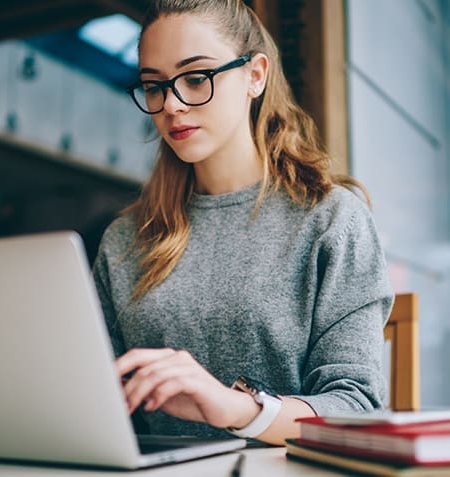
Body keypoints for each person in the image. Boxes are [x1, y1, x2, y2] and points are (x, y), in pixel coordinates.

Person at [92, 0, 393, 446]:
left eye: (196, 78)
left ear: (255, 75)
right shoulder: (125, 240)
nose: (172, 104)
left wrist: (234, 407)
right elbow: (99, 401)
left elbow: (356, 407)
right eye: (153, 86)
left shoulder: (330, 219)